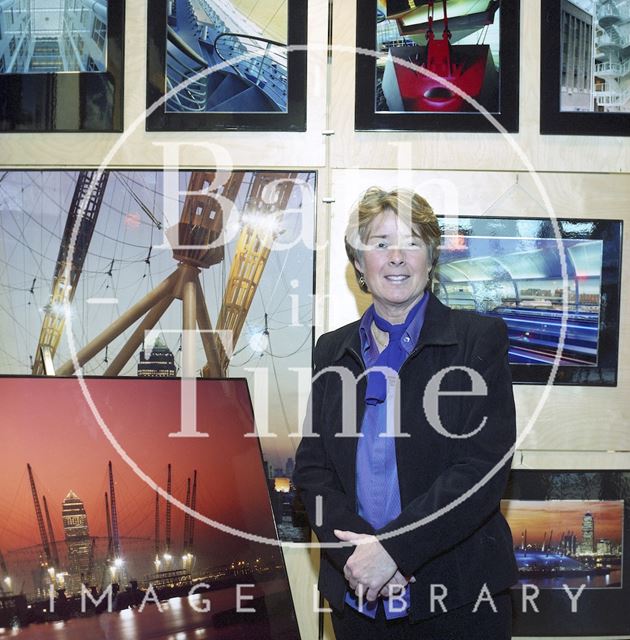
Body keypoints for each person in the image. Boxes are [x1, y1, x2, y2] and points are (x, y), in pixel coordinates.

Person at [293, 187, 518, 639]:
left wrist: (394, 551)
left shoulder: (478, 340)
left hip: (456, 599)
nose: (396, 257)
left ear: (431, 258)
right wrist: (363, 560)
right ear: (359, 262)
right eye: (379, 244)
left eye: (412, 241)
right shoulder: (331, 350)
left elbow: (481, 470)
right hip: (358, 598)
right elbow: (313, 471)